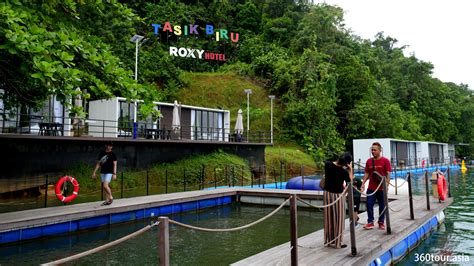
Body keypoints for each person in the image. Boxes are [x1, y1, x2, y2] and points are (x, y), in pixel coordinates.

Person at [323, 152, 353, 249]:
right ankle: (338, 243)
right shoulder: (343, 172)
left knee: (329, 217)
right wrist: (350, 170)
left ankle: (328, 240)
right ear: (347, 163)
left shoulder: (328, 164)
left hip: (327, 194)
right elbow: (350, 183)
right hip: (338, 196)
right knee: (339, 218)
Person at [361, 142, 392, 230]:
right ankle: (370, 222)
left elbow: (388, 174)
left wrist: (387, 185)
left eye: (375, 150)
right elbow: (367, 173)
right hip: (371, 187)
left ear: (380, 150)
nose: (373, 151)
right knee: (369, 204)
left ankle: (381, 222)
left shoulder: (385, 161)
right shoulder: (369, 161)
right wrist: (363, 183)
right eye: (372, 150)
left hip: (382, 187)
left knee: (382, 205)